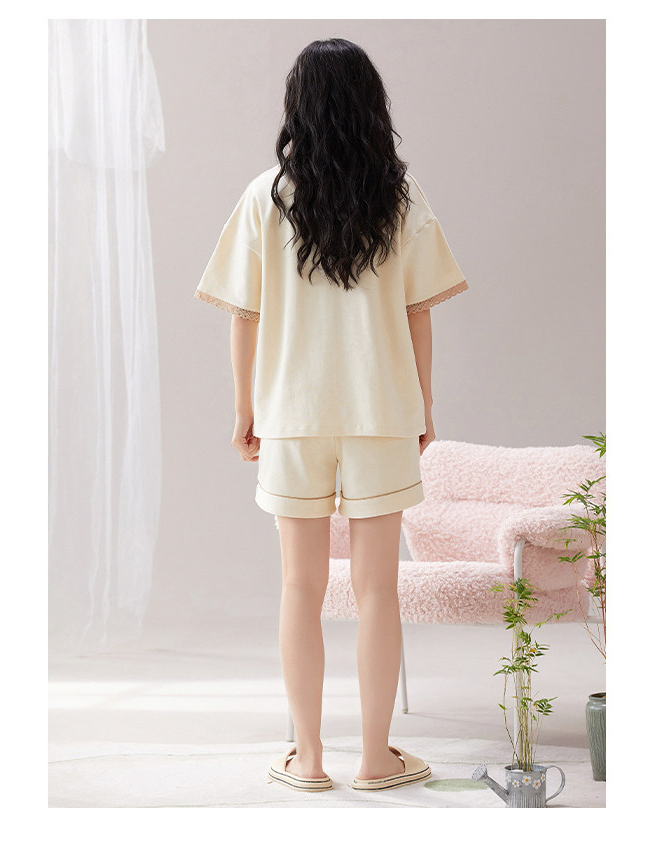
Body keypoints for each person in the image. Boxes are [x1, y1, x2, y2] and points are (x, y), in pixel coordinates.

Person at [195, 38, 468, 793]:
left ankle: (310, 760)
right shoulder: (400, 196)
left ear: (300, 108)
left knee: (299, 588)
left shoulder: (266, 196)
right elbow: (419, 312)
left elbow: (244, 316)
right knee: (379, 590)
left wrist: (245, 409)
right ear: (370, 106)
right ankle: (377, 760)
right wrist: (423, 403)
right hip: (382, 409)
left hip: (292, 413)